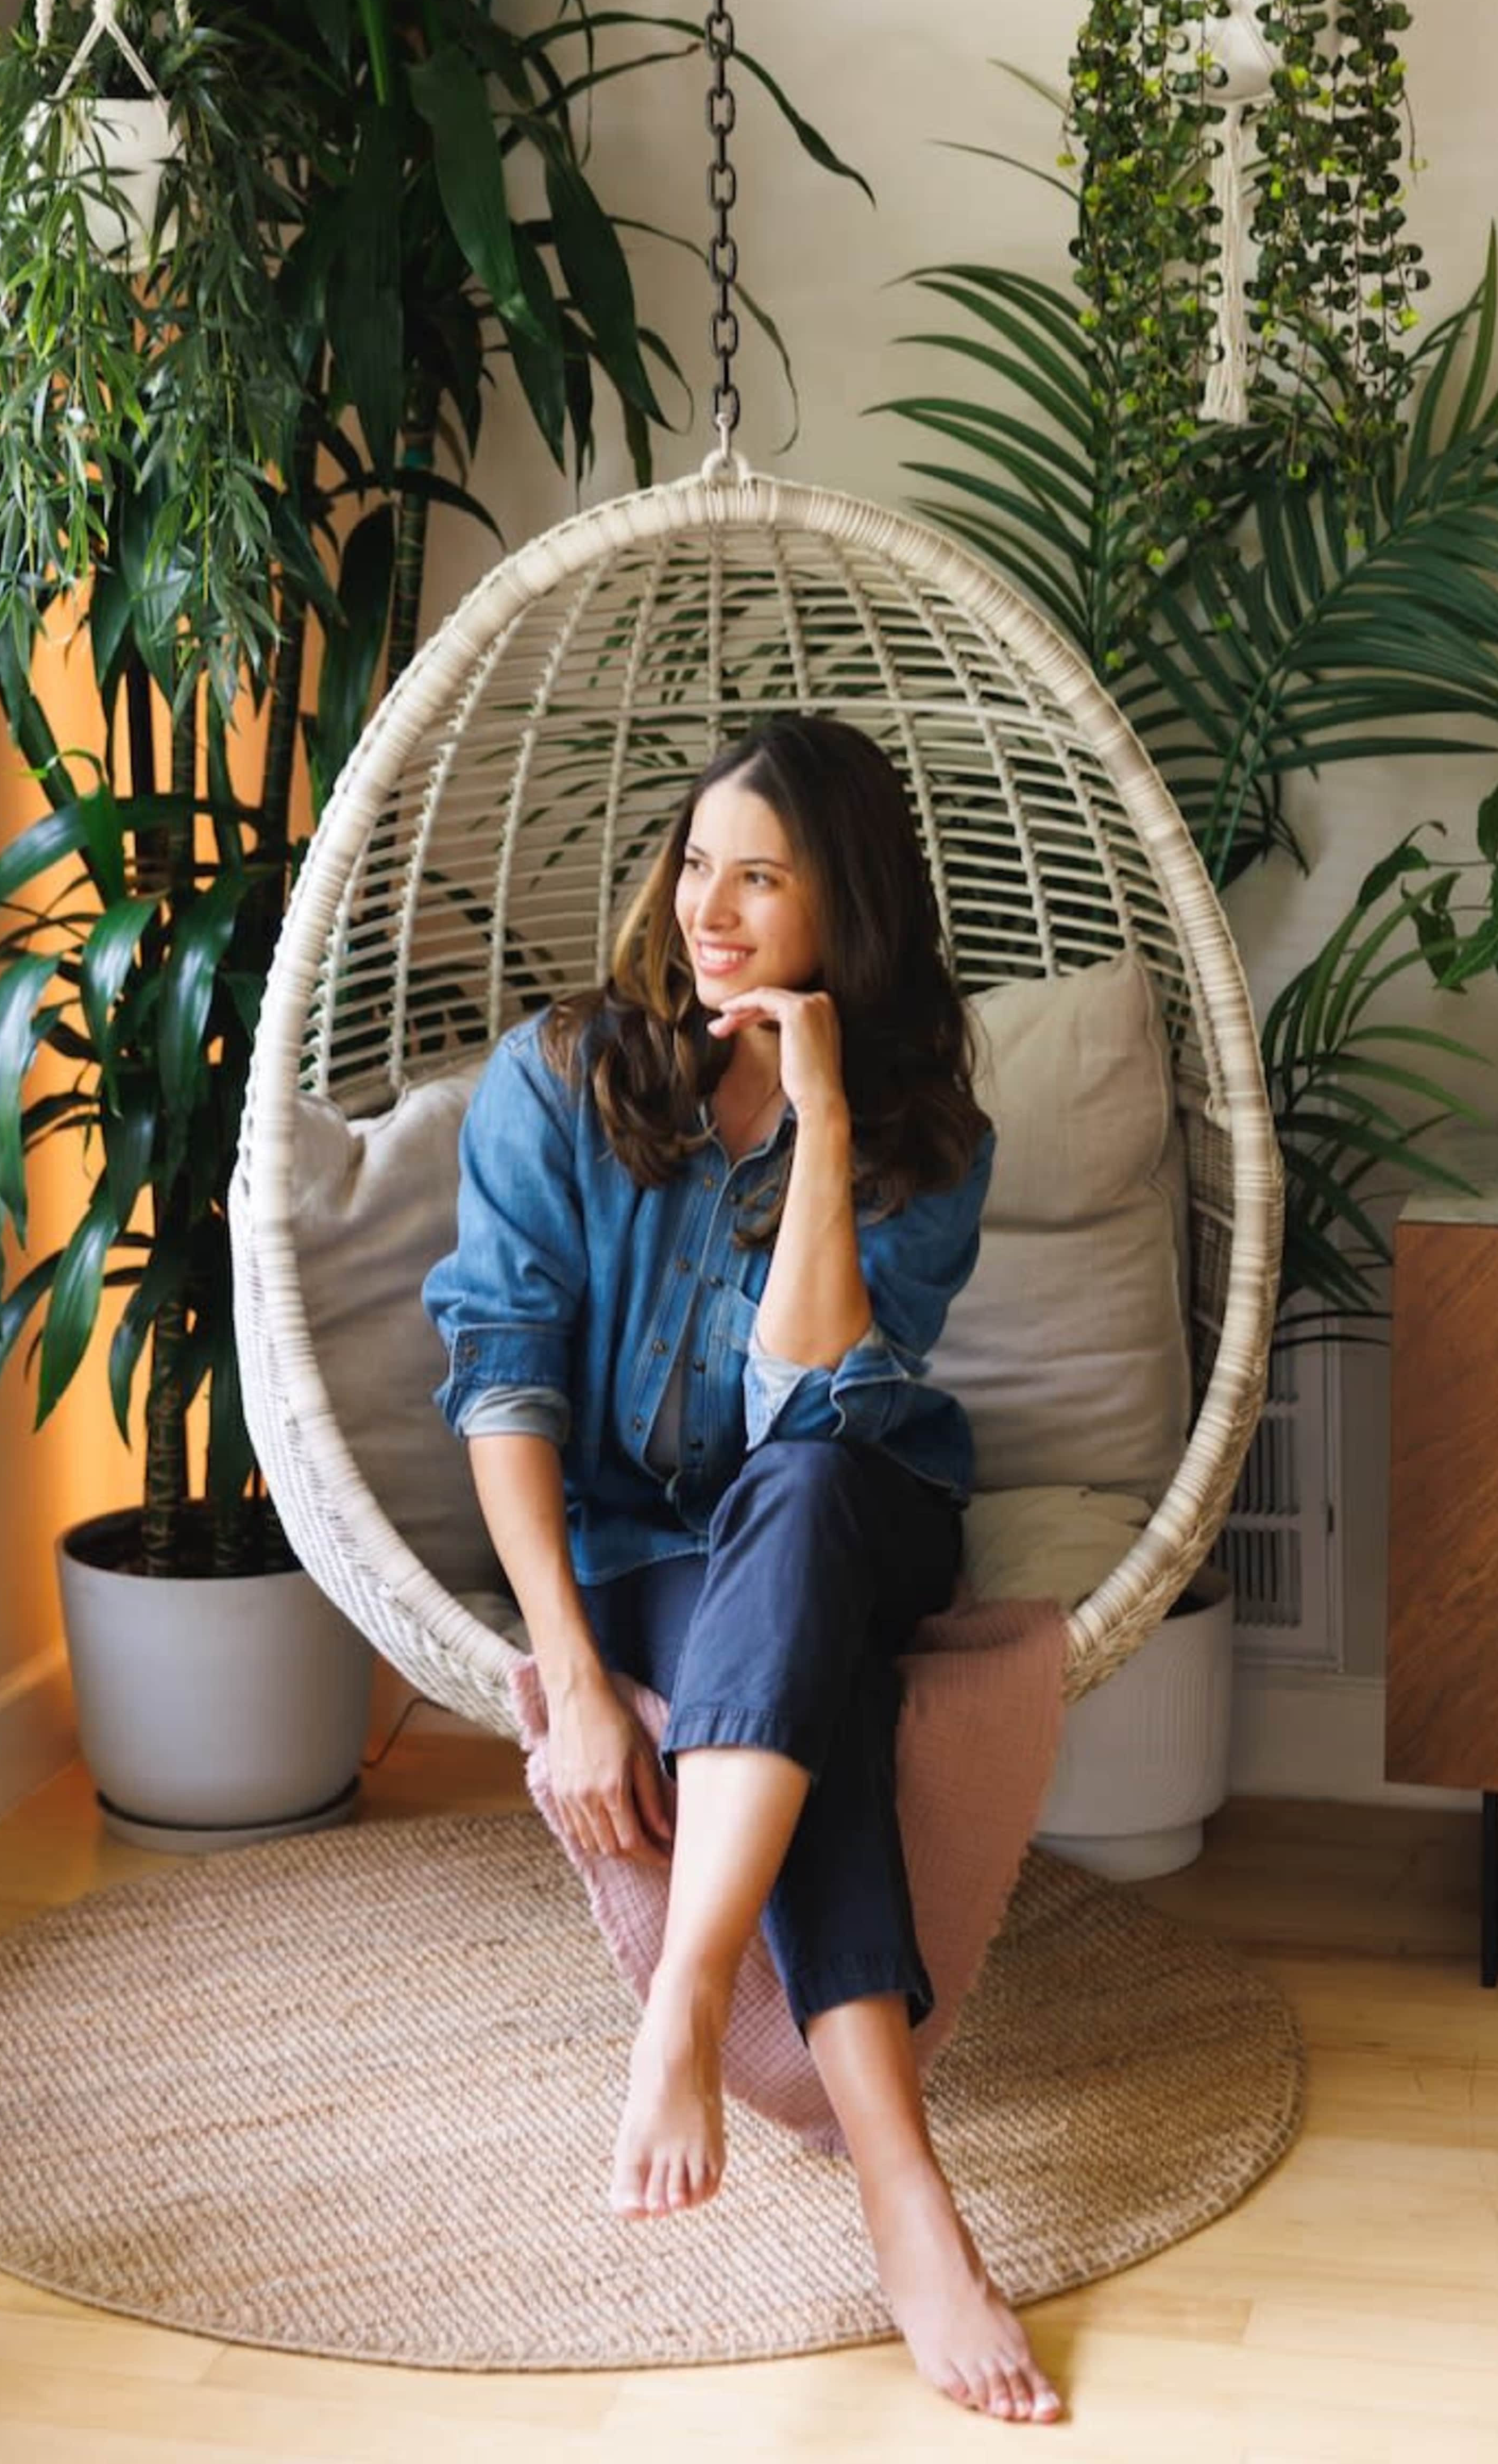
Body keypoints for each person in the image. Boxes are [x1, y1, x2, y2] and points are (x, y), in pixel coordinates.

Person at [422, 713, 1065, 2429]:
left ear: (840, 906)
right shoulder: (560, 1077)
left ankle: (687, 1995)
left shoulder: (930, 1136)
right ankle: (906, 2195)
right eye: (697, 860)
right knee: (814, 1686)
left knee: (804, 1486)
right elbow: (505, 1378)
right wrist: (568, 1670)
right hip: (644, 1551)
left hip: (863, 1502)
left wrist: (828, 1113)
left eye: (759, 877)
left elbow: (811, 1397)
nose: (708, 906)